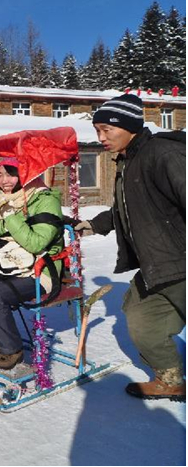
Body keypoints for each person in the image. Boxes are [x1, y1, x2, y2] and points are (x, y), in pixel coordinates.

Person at [74, 93, 185, 401]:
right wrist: (95, 224)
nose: (100, 138)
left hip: (181, 262)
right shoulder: (129, 160)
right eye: (97, 131)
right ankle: (171, 379)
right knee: (140, 317)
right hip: (157, 265)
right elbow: (126, 208)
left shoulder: (163, 154)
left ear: (129, 125)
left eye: (107, 129)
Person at [0, 157, 64, 370]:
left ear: (25, 174)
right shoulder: (2, 200)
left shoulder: (45, 199)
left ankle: (11, 349)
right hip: (12, 265)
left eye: (11, 173)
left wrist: (10, 215)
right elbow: (4, 242)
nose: (4, 180)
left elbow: (36, 244)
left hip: (41, 270)